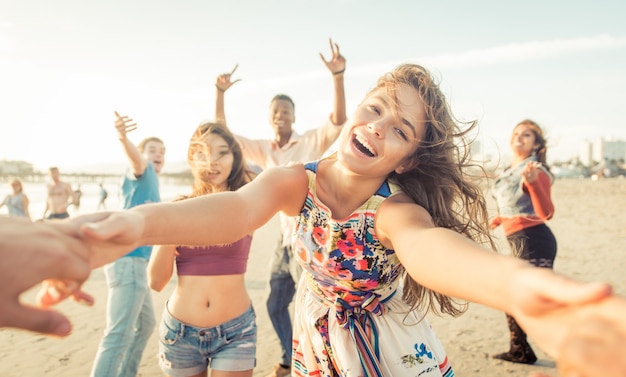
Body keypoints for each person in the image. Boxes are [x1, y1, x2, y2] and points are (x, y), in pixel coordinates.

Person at [47, 63, 626, 377]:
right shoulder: (295, 179)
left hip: (392, 355)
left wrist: (531, 290)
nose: (376, 126)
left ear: (410, 157)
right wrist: (140, 223)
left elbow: (437, 254)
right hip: (317, 344)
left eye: (399, 128)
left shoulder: (397, 211)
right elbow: (233, 210)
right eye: (374, 110)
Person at [214, 38, 346, 377]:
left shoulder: (310, 142)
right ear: (270, 118)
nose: (279, 117)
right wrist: (221, 93)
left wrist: (337, 76)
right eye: (275, 112)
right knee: (275, 303)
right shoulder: (265, 149)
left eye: (285, 112)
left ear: (293, 116)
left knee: (313, 305)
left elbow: (338, 119)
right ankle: (292, 357)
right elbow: (226, 135)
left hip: (312, 239)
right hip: (283, 241)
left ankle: (320, 363)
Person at [148, 122, 257, 377]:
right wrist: (171, 227)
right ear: (191, 159)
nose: (212, 161)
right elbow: (155, 281)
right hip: (180, 334)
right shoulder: (178, 208)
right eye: (202, 153)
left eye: (222, 152)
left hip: (236, 331)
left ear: (234, 157)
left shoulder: (248, 202)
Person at [89, 111, 166, 377]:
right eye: (153, 150)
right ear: (143, 154)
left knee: (145, 325)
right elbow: (136, 160)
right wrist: (123, 138)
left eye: (163, 151)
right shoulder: (143, 172)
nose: (159, 154)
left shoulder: (152, 182)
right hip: (128, 262)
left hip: (138, 265)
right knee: (118, 334)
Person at [490, 119, 557, 364]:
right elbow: (516, 206)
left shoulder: (535, 169)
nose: (519, 137)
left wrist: (531, 182)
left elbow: (545, 213)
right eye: (516, 132)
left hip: (534, 240)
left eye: (526, 135)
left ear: (535, 144)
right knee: (514, 296)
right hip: (518, 239)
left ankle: (577, 341)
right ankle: (519, 350)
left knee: (532, 299)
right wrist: (500, 218)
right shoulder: (510, 170)